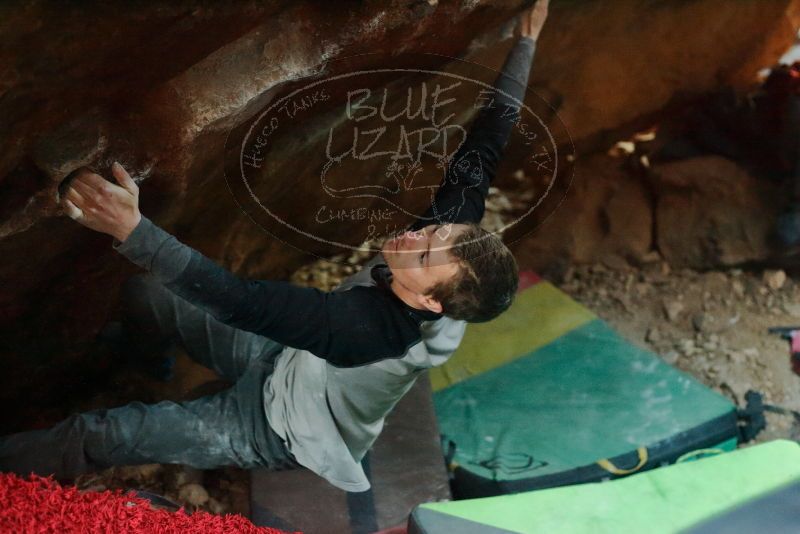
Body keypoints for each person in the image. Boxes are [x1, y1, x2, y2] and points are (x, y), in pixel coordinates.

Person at [0, 1, 549, 492]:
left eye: (426, 253)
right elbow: (489, 138)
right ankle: (146, 364)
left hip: (276, 429)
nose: (418, 234)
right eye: (437, 231)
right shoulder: (453, 252)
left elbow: (243, 302)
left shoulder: (365, 330)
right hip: (285, 362)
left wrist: (132, 229)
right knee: (147, 295)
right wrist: (526, 40)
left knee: (98, 433)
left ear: (430, 303)